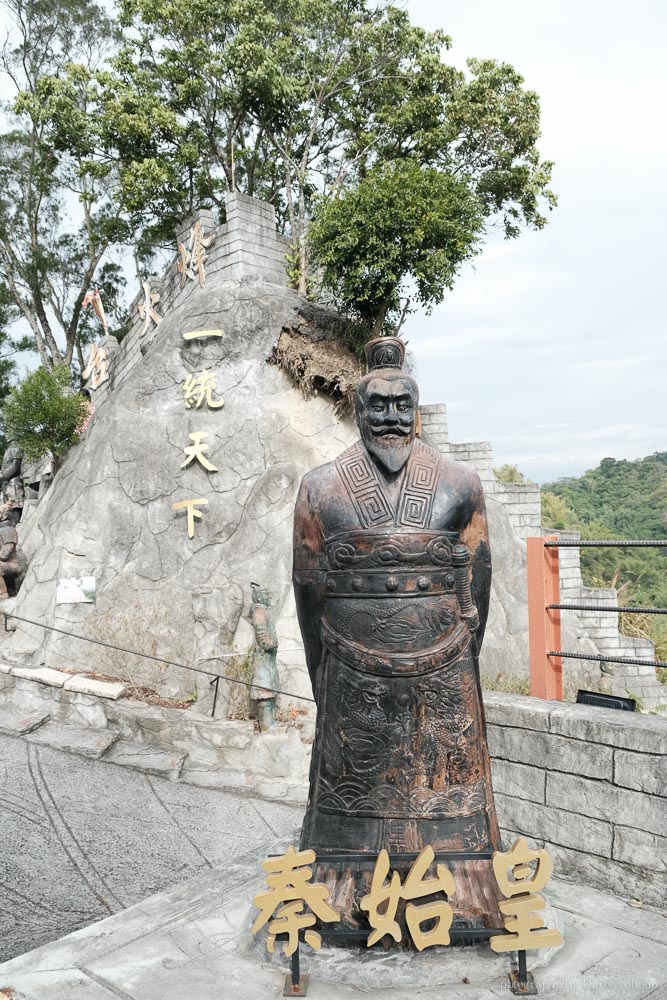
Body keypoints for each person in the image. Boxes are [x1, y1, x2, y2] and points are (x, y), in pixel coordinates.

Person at [292, 336, 501, 940]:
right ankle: (346, 879)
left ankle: (463, 883)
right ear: (357, 409)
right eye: (377, 405)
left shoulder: (460, 483)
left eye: (401, 405)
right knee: (351, 786)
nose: (390, 417)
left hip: (443, 661)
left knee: (447, 780)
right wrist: (320, 669)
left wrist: (465, 652)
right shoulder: (321, 487)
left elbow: (476, 580)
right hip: (351, 662)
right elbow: (309, 585)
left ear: (417, 406)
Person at [249, 582, 280, 731]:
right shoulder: (259, 612)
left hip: (267, 660)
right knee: (264, 692)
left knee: (269, 691)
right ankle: (267, 727)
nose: (269, 597)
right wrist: (272, 644)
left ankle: (271, 723)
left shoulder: (263, 611)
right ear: (260, 596)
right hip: (263, 659)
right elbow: (262, 637)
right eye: (266, 594)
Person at [0, 502, 24, 599]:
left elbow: (6, 553)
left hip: (12, 565)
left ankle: (2, 594)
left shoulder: (8, 530)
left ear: (5, 515)